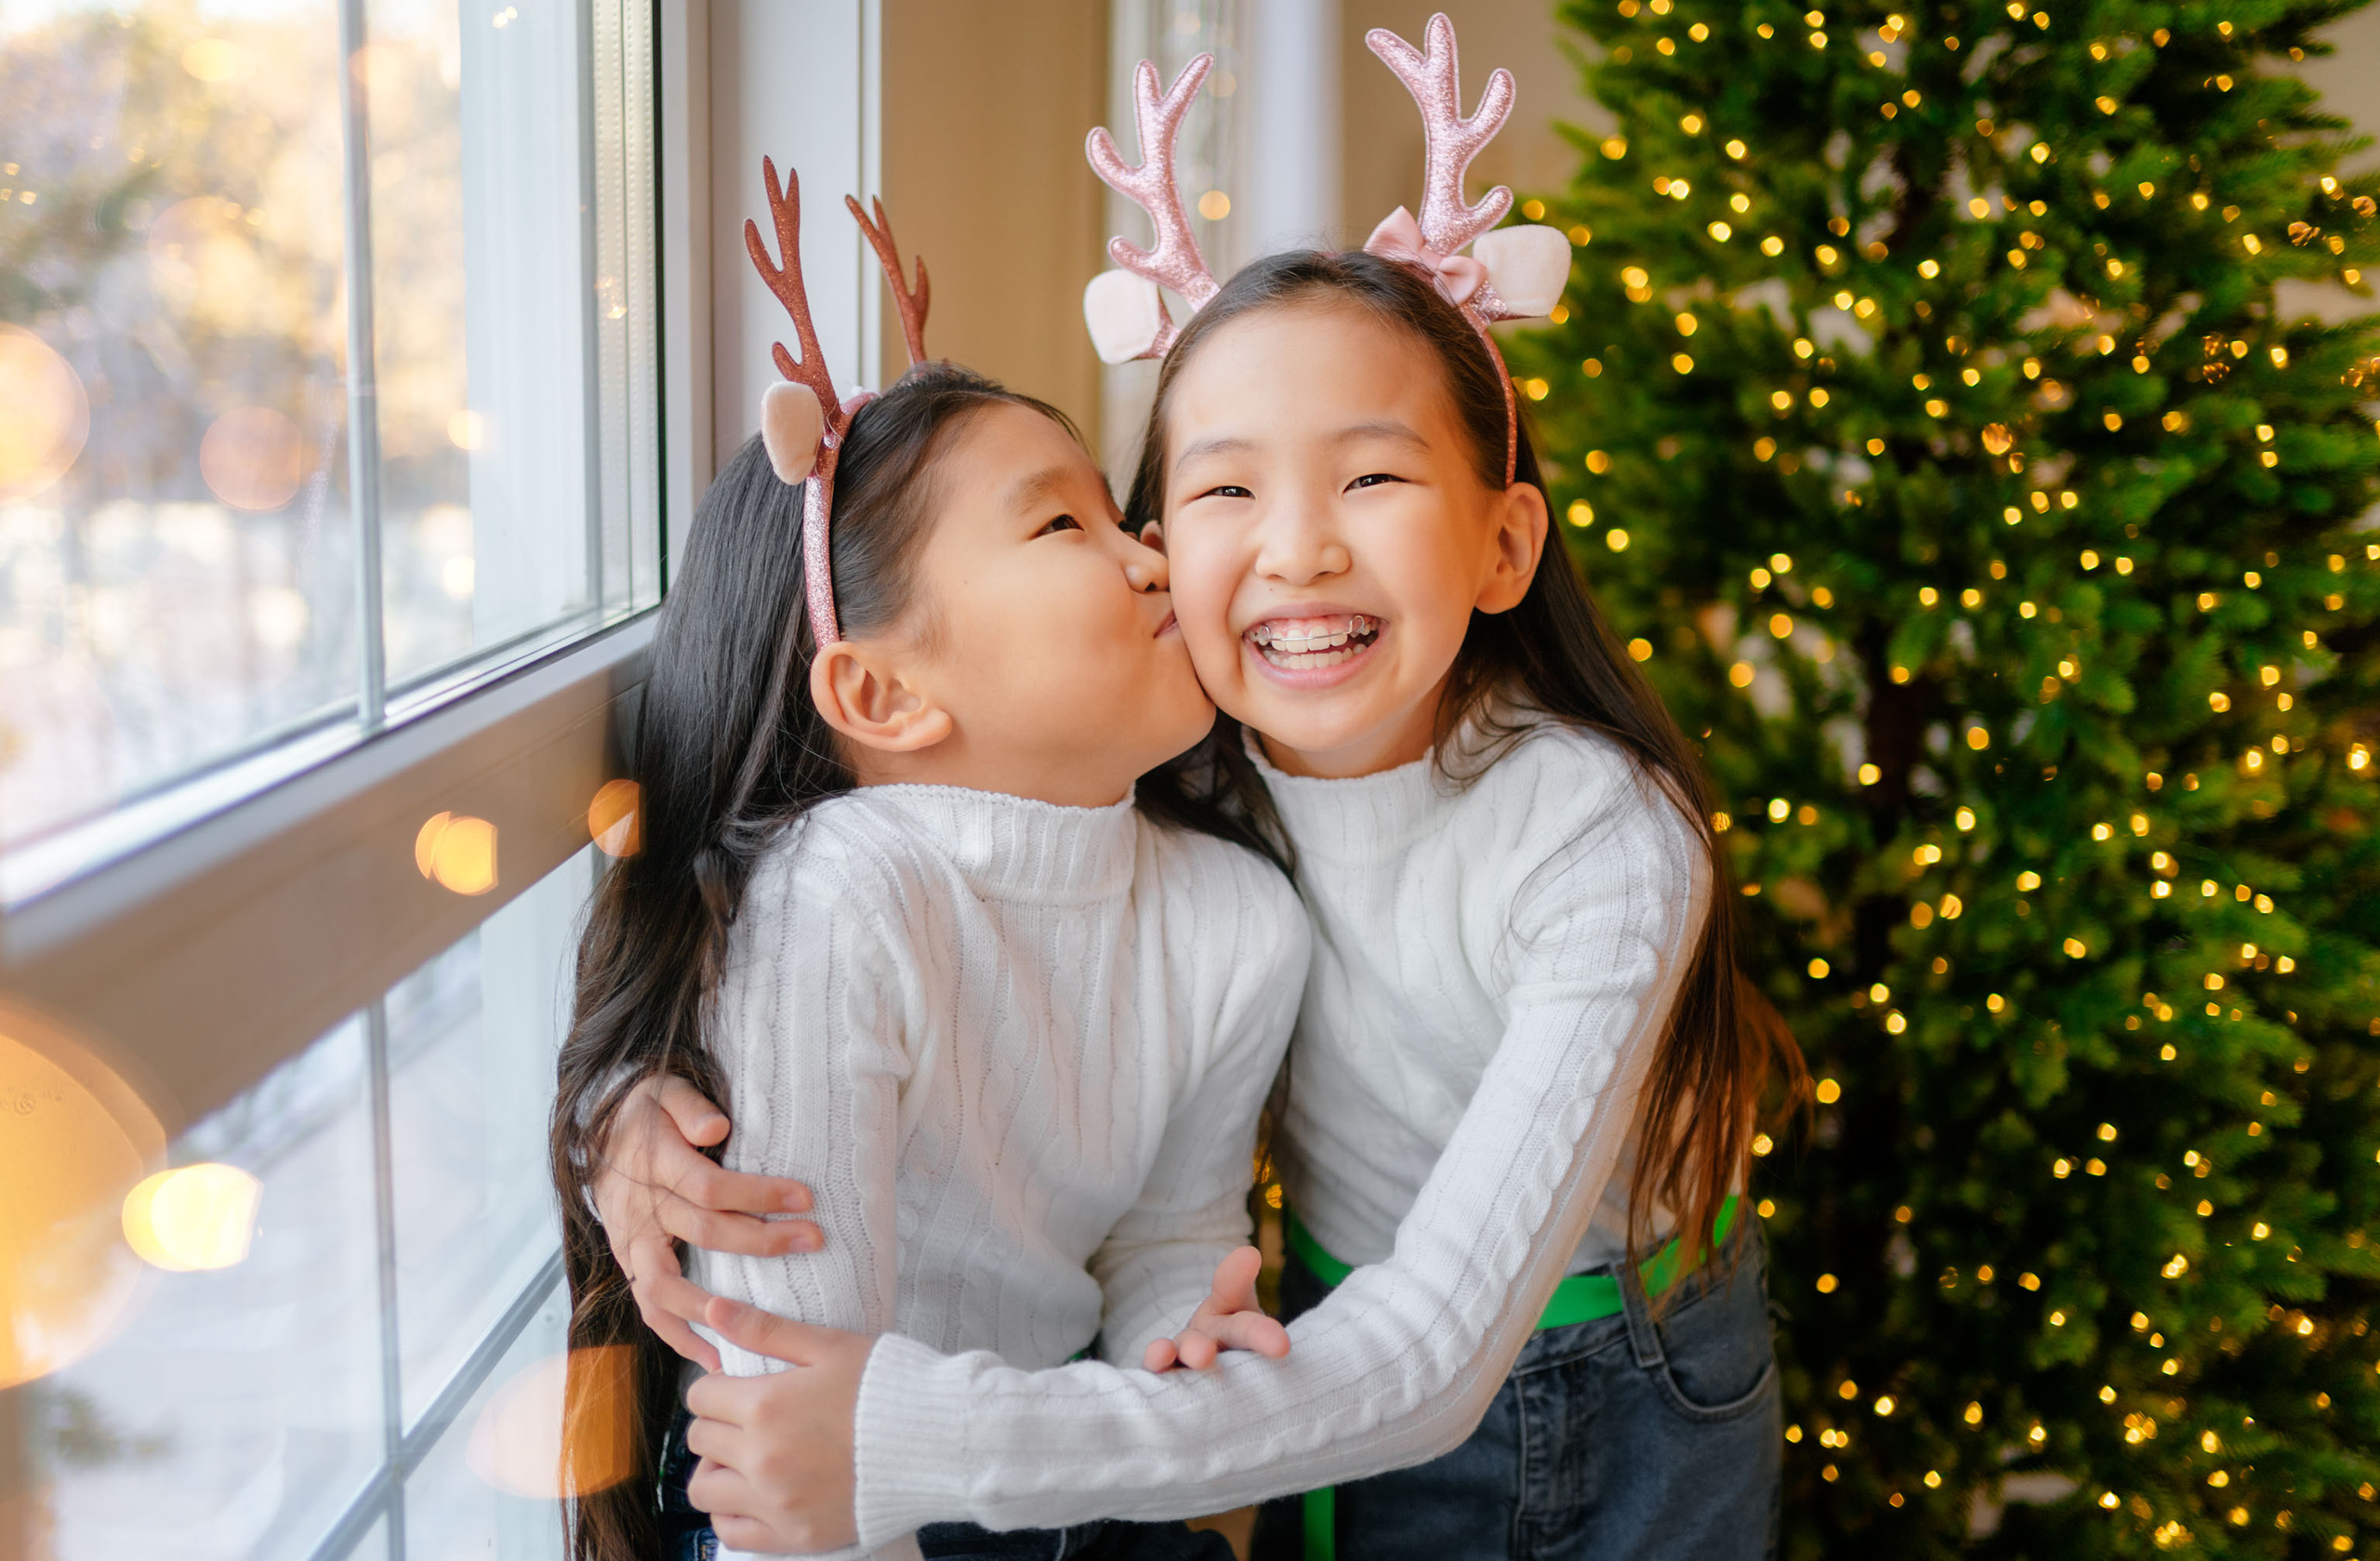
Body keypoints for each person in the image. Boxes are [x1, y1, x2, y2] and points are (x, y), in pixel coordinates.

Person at [600, 242, 1803, 1559]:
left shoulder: (1597, 837)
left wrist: (940, 1431)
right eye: (1224, 488)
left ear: (1505, 543)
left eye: (1372, 476)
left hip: (1617, 1358)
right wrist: (624, 1104)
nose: (1296, 549)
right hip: (1310, 1359)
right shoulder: (1172, 772)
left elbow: (1413, 1340)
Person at [550, 289, 1317, 1561]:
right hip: (812, 1502)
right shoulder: (843, 895)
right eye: (1062, 523)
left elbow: (1169, 1232)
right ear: (882, 694)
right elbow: (786, 1368)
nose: (1152, 555)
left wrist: (1179, 1326)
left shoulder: (1242, 920)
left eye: (1120, 516)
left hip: (1050, 1455)